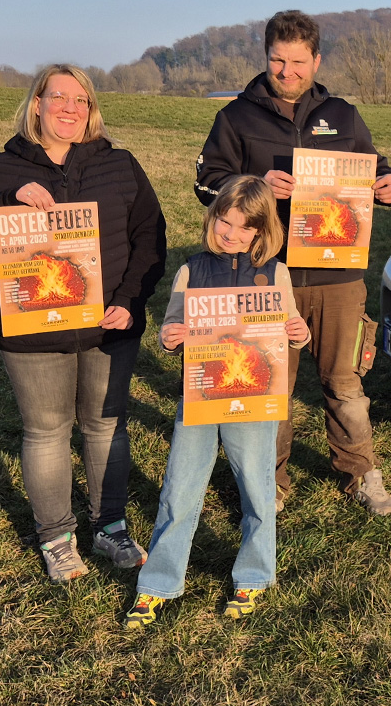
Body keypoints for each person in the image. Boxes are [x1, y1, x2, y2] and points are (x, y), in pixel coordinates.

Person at [0, 64, 167, 582]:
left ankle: (110, 526)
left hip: (109, 324)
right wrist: (9, 203)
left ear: (92, 109)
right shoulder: (1, 167)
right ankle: (56, 536)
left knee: (105, 428)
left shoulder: (119, 165)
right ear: (36, 104)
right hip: (34, 330)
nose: (70, 108)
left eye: (81, 100)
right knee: (47, 432)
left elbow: (151, 237)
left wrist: (130, 301)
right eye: (59, 98)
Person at [194, 10, 391, 515]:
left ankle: (361, 473)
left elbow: (374, 164)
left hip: (339, 277)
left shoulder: (343, 113)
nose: (287, 71)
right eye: (277, 60)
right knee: (270, 387)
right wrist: (255, 183)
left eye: (297, 61)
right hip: (266, 272)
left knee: (345, 383)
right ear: (265, 56)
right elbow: (206, 185)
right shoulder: (235, 117)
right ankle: (269, 482)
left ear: (316, 59)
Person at [124, 176, 309, 628]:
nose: (231, 234)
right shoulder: (192, 269)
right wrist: (171, 337)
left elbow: (291, 324)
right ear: (213, 219)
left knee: (258, 486)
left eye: (245, 229)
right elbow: (171, 327)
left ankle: (254, 575)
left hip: (253, 400)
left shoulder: (276, 274)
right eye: (225, 222)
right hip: (202, 396)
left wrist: (298, 332)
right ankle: (158, 584)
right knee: (180, 487)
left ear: (263, 233)